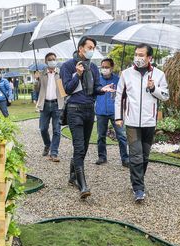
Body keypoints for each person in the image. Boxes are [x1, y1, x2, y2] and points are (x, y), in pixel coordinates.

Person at [60, 37, 115, 199]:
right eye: (90, 47)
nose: (92, 49)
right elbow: (67, 89)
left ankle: (72, 176)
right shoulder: (67, 66)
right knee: (79, 147)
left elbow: (95, 88)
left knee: (83, 146)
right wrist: (77, 74)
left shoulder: (93, 68)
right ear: (80, 48)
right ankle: (82, 185)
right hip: (74, 110)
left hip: (89, 110)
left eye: (94, 47)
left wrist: (102, 89)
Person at [115, 43, 169, 203]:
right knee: (136, 155)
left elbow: (165, 95)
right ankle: (138, 188)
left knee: (144, 155)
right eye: (136, 55)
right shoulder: (126, 74)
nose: (138, 58)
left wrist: (154, 89)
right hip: (131, 122)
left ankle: (137, 181)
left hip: (149, 121)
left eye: (141, 55)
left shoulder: (158, 75)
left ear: (149, 58)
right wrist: (118, 117)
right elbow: (119, 97)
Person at [95, 58, 129, 167]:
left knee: (121, 136)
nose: (104, 69)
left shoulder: (118, 80)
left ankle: (125, 158)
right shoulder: (97, 80)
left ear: (112, 67)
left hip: (116, 113)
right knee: (101, 136)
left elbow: (124, 95)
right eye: (102, 67)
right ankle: (102, 157)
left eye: (106, 67)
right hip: (100, 112)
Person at [34, 52, 63, 162]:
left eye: (54, 59)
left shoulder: (60, 74)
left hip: (57, 105)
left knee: (57, 130)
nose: (52, 61)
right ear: (46, 62)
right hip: (45, 105)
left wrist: (63, 103)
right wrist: (36, 80)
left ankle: (54, 153)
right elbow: (36, 89)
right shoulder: (42, 74)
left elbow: (62, 91)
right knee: (43, 128)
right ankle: (47, 144)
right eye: (50, 59)